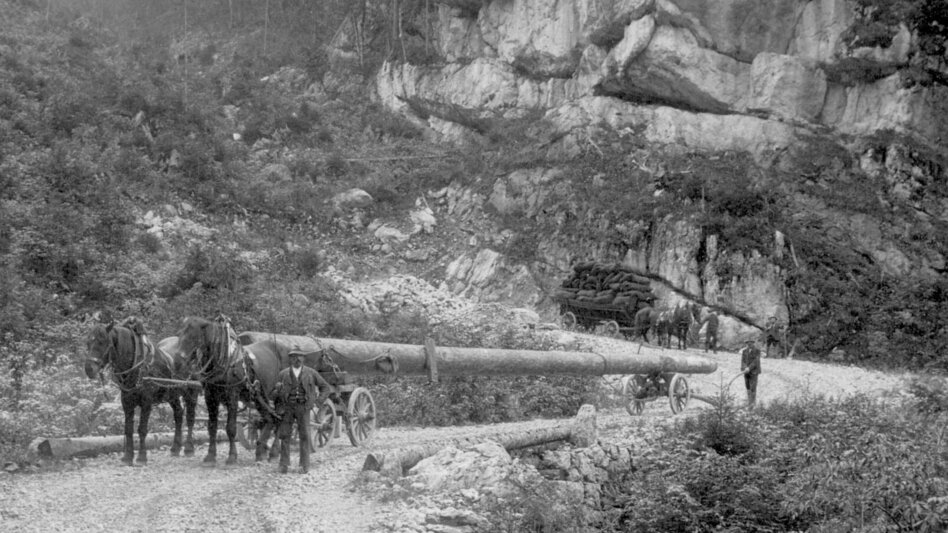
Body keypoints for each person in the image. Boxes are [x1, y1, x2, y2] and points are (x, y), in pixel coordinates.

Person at [271, 351, 325, 474]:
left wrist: (317, 402)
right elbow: (272, 395)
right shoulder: (283, 374)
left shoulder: (311, 373)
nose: (297, 359)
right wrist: (278, 390)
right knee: (285, 435)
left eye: (300, 356)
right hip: (287, 408)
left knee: (305, 436)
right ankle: (284, 465)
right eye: (294, 357)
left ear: (304, 358)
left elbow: (325, 387)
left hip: (303, 408)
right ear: (290, 359)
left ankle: (304, 465)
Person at [739, 339, 762, 408]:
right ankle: (749, 402)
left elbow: (756, 361)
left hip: (754, 372)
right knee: (747, 386)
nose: (749, 344)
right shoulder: (744, 351)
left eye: (750, 343)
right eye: (747, 343)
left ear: (753, 343)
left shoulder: (757, 351)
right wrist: (745, 367)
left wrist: (749, 368)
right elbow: (743, 361)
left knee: (753, 387)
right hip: (746, 372)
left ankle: (753, 403)